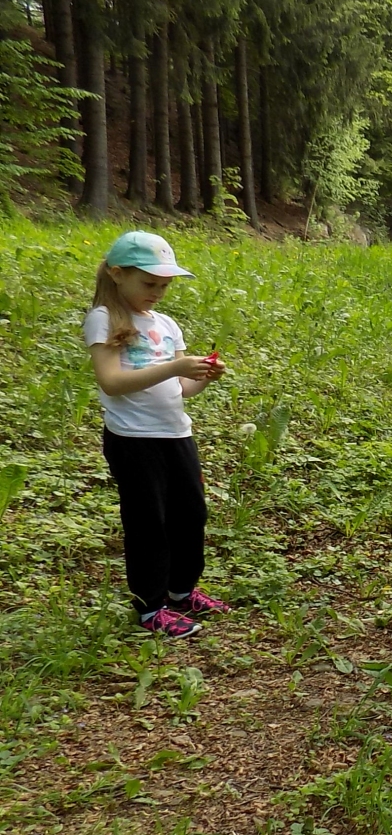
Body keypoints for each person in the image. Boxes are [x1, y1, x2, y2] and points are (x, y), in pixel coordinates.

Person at [85, 231, 229, 638]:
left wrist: (203, 376)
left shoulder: (166, 324)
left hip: (176, 433)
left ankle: (181, 591)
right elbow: (112, 382)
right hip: (133, 439)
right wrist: (174, 367)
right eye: (149, 283)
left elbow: (182, 388)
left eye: (164, 286)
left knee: (190, 515)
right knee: (149, 522)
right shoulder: (103, 318)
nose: (158, 293)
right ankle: (151, 608)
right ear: (118, 274)